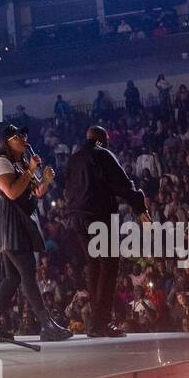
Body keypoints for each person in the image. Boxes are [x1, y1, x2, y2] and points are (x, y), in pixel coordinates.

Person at [0, 125, 72, 341]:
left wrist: (45, 181)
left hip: (21, 219)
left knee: (12, 277)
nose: (23, 138)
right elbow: (12, 193)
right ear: (6, 142)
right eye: (17, 136)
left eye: (24, 135)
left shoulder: (22, 163)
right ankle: (46, 324)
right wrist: (32, 170)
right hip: (9, 220)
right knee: (27, 271)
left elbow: (35, 192)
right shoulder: (1, 162)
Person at [61, 125, 147, 337]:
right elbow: (122, 184)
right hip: (97, 216)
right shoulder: (103, 155)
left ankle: (95, 323)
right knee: (108, 267)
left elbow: (68, 189)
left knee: (94, 267)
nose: (109, 142)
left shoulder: (74, 159)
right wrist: (139, 207)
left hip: (77, 218)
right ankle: (100, 323)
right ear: (100, 139)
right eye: (107, 139)